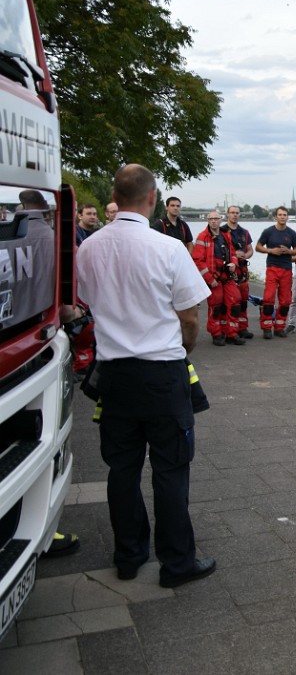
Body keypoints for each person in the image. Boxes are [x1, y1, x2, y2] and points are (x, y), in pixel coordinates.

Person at [76, 164, 215, 588]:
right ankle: (177, 563)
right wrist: (182, 348)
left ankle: (129, 555)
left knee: (122, 469)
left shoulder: (89, 248)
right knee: (171, 469)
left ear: (114, 196)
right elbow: (190, 317)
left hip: (114, 374)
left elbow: (82, 303)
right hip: (162, 373)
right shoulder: (168, 248)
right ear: (152, 198)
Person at [192, 210, 243, 346]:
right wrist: (209, 279)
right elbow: (198, 260)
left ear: (221, 220)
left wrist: (234, 263)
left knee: (234, 303)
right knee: (216, 307)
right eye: (211, 219)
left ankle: (231, 333)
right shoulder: (203, 237)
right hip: (214, 279)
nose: (214, 221)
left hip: (227, 276)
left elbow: (232, 253)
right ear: (208, 221)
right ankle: (216, 333)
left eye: (216, 219)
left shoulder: (226, 235)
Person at [255, 206, 296, 339]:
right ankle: (267, 328)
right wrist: (271, 251)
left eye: (284, 215)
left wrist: (289, 251)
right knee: (268, 298)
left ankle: (280, 327)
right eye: (280, 215)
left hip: (286, 269)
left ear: (287, 217)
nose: (282, 217)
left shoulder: (291, 233)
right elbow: (258, 247)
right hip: (272, 268)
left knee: (285, 301)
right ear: (276, 217)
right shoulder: (268, 232)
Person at [222, 205, 255, 339]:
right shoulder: (221, 231)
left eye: (237, 213)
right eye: (232, 213)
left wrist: (245, 256)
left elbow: (250, 250)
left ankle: (242, 327)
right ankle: (226, 329)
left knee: (243, 301)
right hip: (228, 270)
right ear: (227, 214)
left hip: (242, 270)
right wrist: (234, 255)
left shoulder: (244, 232)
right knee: (228, 302)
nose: (235, 215)